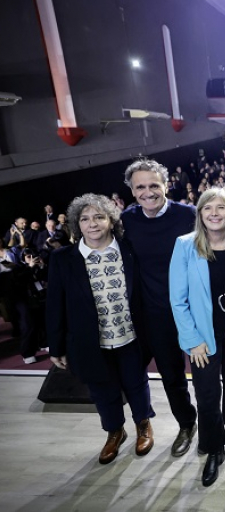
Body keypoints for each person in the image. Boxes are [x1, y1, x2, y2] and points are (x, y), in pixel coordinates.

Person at [46, 194, 155, 465]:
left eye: (99, 217)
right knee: (101, 389)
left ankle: (143, 424)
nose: (92, 224)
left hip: (130, 335)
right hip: (89, 341)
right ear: (76, 224)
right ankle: (114, 431)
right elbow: (55, 305)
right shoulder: (63, 258)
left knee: (136, 383)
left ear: (110, 220)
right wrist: (56, 346)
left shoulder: (129, 249)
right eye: (85, 219)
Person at [170, 188, 225, 487]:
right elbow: (178, 300)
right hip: (202, 336)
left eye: (222, 207)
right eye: (208, 208)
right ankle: (214, 447)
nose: (215, 213)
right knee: (206, 393)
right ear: (200, 214)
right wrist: (192, 340)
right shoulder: (185, 246)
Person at [121, 158, 198, 457]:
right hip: (153, 314)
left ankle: (221, 426)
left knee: (206, 375)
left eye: (154, 185)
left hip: (191, 311)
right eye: (140, 186)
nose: (148, 192)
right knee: (171, 376)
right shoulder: (126, 221)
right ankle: (187, 424)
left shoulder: (189, 215)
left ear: (166, 185)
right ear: (132, 190)